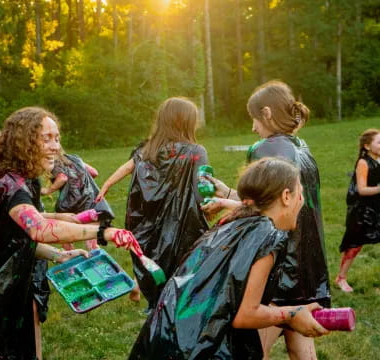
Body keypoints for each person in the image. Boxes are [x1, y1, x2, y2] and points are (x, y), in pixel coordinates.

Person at [0, 107, 139, 359]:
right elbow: (38, 229)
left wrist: (58, 255)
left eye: (57, 138)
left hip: (1, 286)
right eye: (46, 138)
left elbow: (17, 241)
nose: (55, 146)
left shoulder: (24, 178)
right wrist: (103, 232)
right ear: (23, 141)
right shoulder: (8, 183)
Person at [129, 158, 329, 360]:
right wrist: (292, 315)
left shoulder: (231, 224)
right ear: (286, 196)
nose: (302, 201)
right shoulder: (268, 237)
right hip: (197, 348)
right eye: (300, 194)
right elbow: (246, 315)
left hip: (167, 334)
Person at [203, 80, 330, 360]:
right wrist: (226, 193)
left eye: (254, 118)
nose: (253, 127)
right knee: (300, 344)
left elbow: (262, 211)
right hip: (307, 265)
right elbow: (274, 201)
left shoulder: (264, 148)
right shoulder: (301, 146)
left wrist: (226, 204)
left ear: (267, 113)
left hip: (276, 263)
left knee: (251, 350)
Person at [98, 97, 209, 311]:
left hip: (149, 229)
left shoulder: (147, 151)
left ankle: (156, 313)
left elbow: (127, 167)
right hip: (186, 229)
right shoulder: (196, 152)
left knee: (157, 279)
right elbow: (203, 189)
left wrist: (107, 184)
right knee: (182, 284)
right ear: (186, 122)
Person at [41, 147, 113, 251]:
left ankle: (71, 257)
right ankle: (99, 263)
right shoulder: (75, 158)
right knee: (91, 241)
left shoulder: (54, 162)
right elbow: (94, 172)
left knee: (63, 234)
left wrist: (48, 190)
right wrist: (81, 181)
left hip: (71, 204)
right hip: (90, 200)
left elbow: (62, 178)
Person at [336, 128, 380, 292]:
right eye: (379, 142)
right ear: (368, 146)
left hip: (377, 208)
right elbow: (362, 190)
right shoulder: (363, 162)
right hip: (362, 211)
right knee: (355, 245)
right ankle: (341, 278)